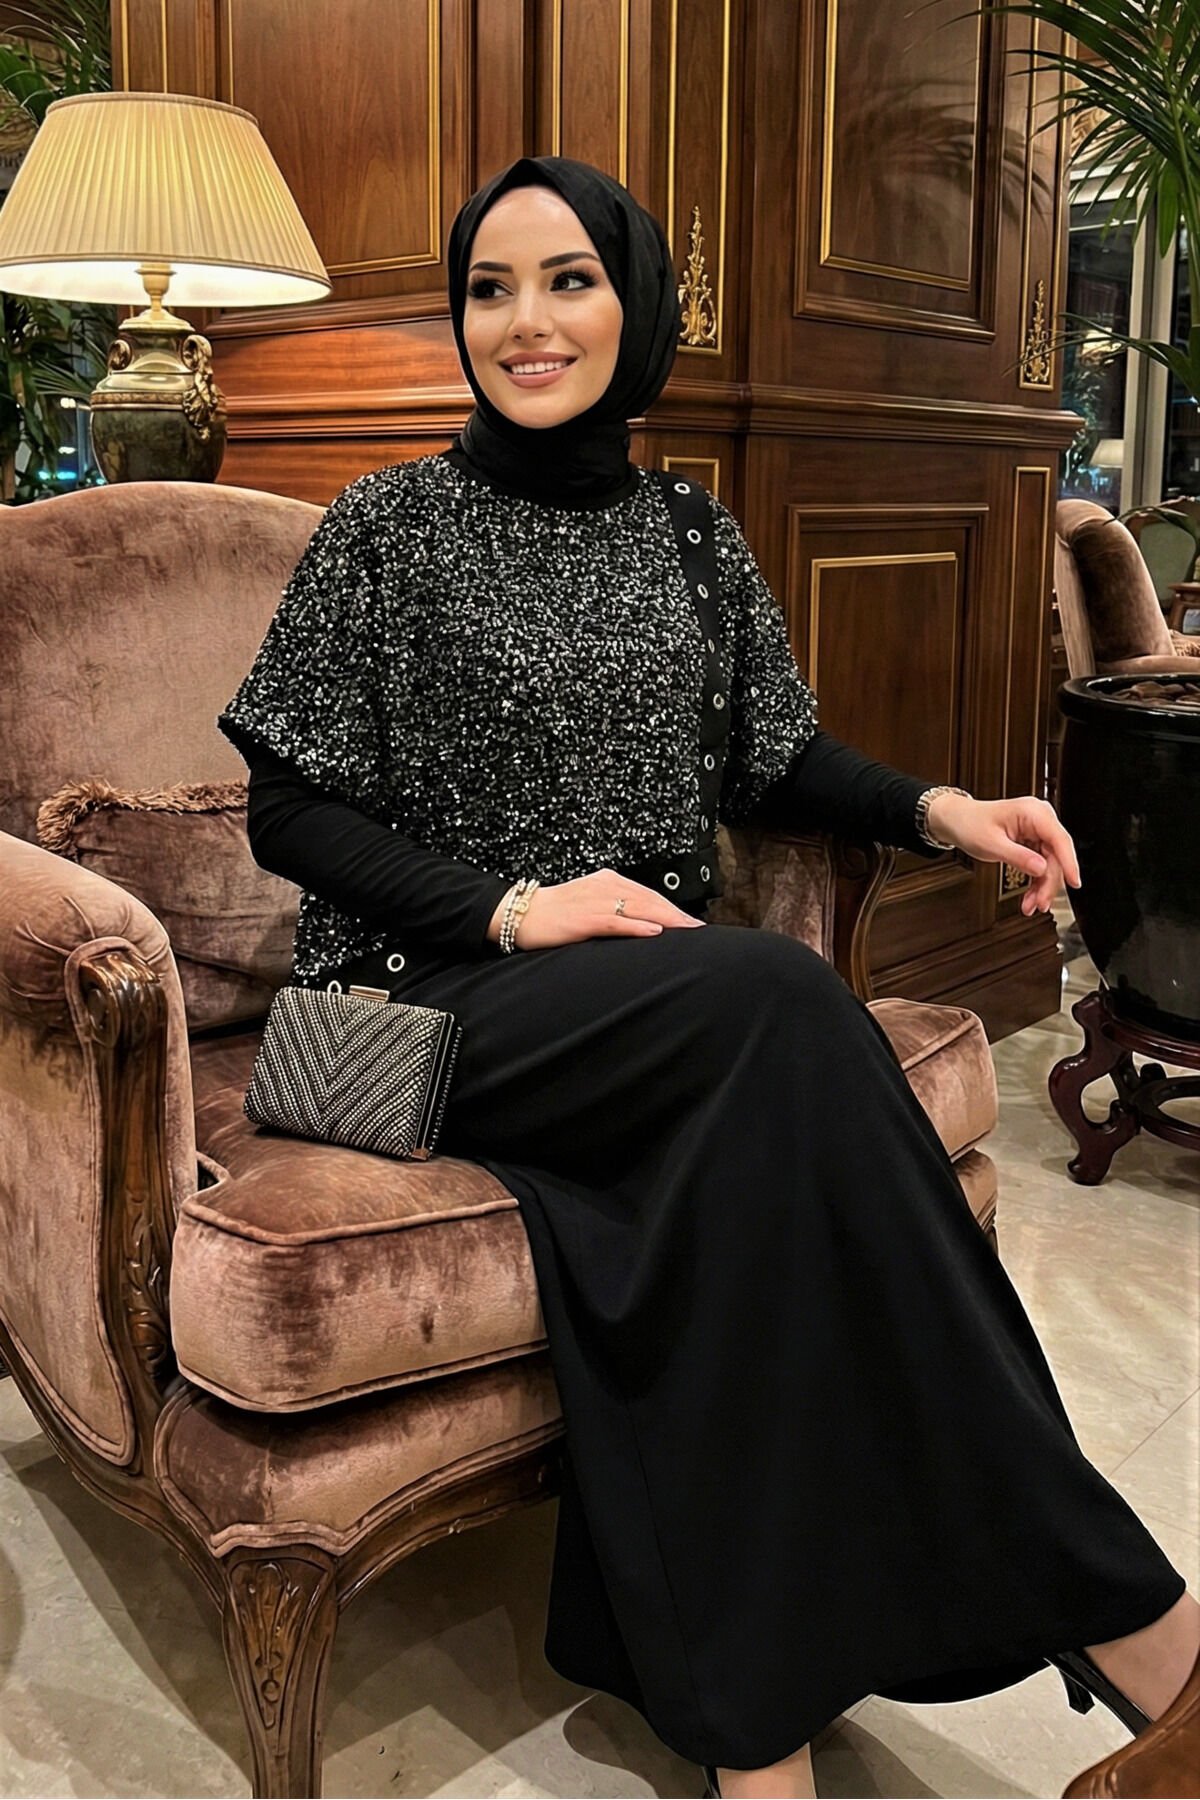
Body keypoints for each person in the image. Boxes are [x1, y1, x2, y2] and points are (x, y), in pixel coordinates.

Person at [218, 157, 1200, 1800]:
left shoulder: (688, 534)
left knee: (744, 1201)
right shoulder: (385, 526)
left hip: (661, 1014)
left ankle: (759, 1746)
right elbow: (289, 810)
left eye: (571, 279)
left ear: (639, 304)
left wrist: (944, 810)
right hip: (420, 1004)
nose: (526, 321)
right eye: (490, 288)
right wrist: (517, 912)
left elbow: (777, 754)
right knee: (775, 1005)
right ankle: (1148, 1633)